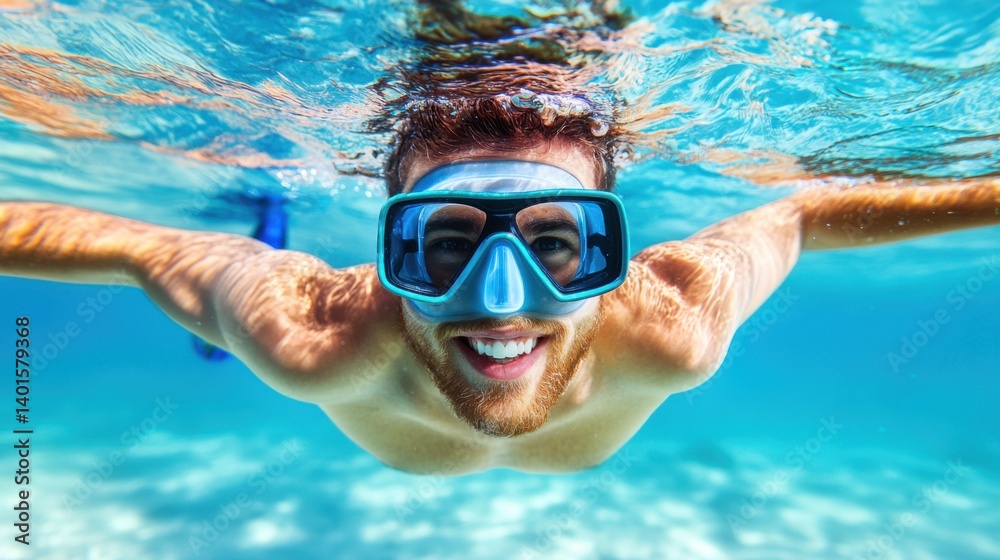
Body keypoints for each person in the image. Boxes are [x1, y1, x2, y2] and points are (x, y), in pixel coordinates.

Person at [2, 121, 998, 474]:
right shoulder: (312, 331)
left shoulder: (673, 324)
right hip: (267, 311)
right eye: (442, 244)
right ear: (387, 248)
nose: (501, 302)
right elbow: (138, 246)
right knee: (225, 314)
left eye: (559, 244)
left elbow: (802, 216)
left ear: (612, 247)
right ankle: (272, 224)